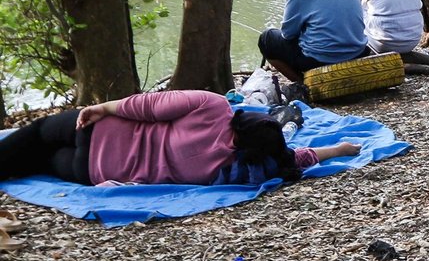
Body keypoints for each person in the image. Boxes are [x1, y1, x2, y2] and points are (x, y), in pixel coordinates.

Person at [0, 90, 360, 187]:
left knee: (32, 136)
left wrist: (105, 107)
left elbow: (148, 105)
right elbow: (296, 159)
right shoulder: (236, 169)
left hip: (97, 130)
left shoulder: (213, 106)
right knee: (37, 162)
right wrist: (340, 149)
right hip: (90, 170)